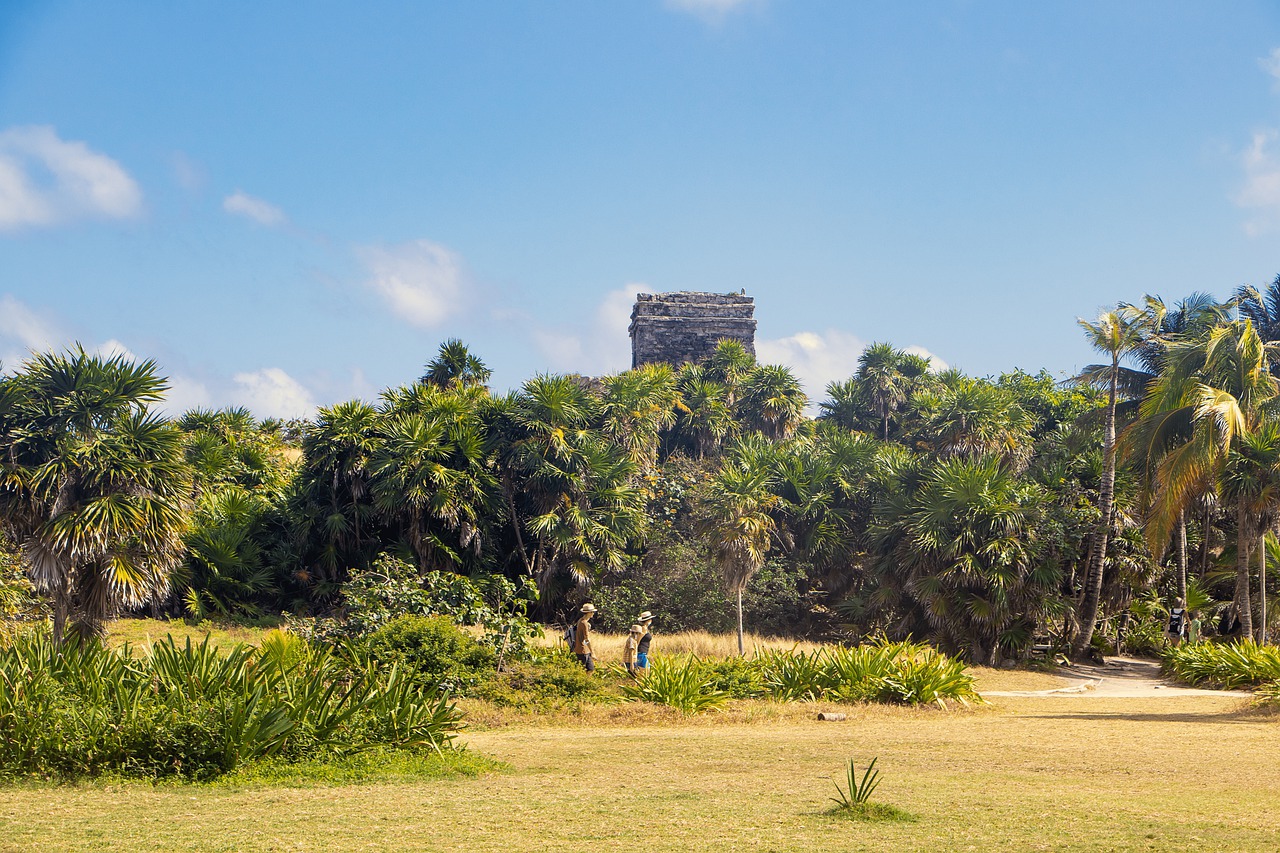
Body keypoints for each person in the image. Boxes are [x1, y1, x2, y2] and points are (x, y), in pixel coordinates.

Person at [573, 603, 596, 671]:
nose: (593, 613)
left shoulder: (580, 620)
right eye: (592, 612)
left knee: (588, 669)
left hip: (581, 650)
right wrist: (592, 652)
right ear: (588, 613)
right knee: (587, 670)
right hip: (583, 651)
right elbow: (586, 639)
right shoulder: (584, 623)